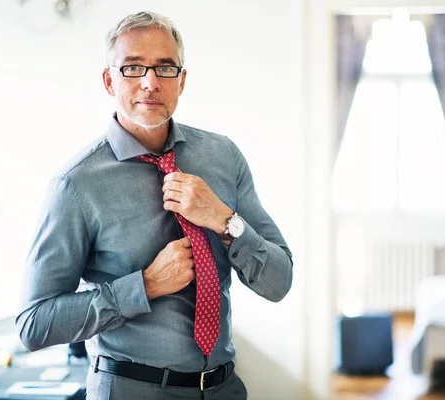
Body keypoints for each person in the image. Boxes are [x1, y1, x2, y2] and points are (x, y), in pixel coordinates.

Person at [15, 10, 293, 400]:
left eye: (164, 68)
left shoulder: (223, 157)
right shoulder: (74, 185)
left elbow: (279, 282)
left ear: (181, 81)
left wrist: (224, 220)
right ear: (109, 81)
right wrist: (144, 286)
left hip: (224, 388)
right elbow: (34, 325)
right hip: (131, 390)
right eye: (132, 68)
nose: (150, 82)